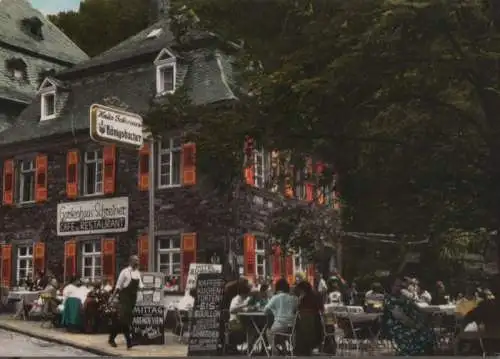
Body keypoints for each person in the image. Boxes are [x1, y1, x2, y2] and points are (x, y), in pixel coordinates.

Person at [383, 277, 436, 355]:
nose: (401, 288)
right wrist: (415, 325)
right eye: (398, 286)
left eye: (402, 286)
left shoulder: (402, 296)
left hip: (410, 325)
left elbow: (416, 306)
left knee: (429, 332)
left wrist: (412, 299)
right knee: (417, 336)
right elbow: (401, 317)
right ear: (391, 286)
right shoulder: (389, 299)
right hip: (398, 327)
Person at [108, 255, 143, 349]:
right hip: (124, 299)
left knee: (124, 321)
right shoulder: (124, 272)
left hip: (132, 300)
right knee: (124, 320)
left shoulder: (137, 273)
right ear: (130, 261)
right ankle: (129, 342)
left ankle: (112, 338)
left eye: (138, 261)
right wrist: (112, 298)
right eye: (136, 261)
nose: (138, 263)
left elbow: (140, 286)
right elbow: (118, 286)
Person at [265, 278, 298, 355]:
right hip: (291, 327)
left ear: (277, 287)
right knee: (281, 333)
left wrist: (274, 311)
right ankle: (284, 350)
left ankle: (274, 350)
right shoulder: (294, 298)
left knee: (268, 331)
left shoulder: (276, 297)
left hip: (279, 326)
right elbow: (296, 310)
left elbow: (266, 310)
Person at [295, 281, 325, 355]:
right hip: (315, 324)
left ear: (302, 290)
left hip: (303, 326)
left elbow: (297, 309)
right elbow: (322, 309)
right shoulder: (317, 295)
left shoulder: (302, 298)